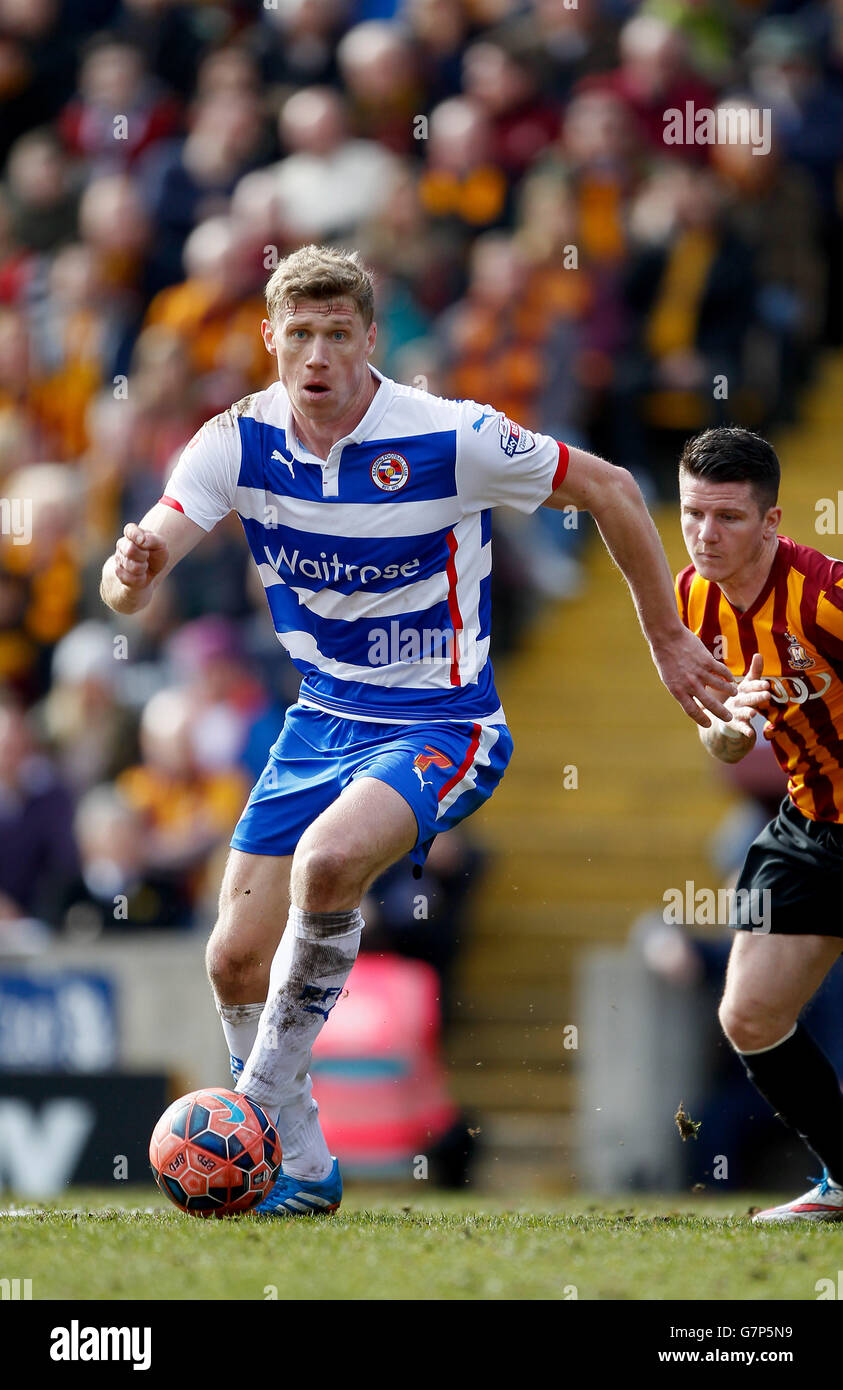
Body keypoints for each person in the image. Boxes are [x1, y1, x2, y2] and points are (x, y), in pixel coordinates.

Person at [100, 243, 734, 1216]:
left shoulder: (450, 436)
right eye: (299, 334)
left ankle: (257, 1110)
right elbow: (132, 575)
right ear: (270, 338)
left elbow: (609, 486)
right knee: (230, 955)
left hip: (444, 720)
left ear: (368, 342)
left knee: (326, 864)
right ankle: (304, 1164)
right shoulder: (234, 441)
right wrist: (130, 574)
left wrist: (666, 638)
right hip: (320, 721)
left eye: (338, 334)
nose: (317, 355)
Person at [675, 425, 843, 1222]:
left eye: (728, 518)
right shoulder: (687, 598)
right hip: (812, 824)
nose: (706, 535)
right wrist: (724, 735)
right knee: (748, 1013)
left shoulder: (825, 598)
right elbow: (718, 726)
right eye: (692, 514)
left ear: (771, 524)